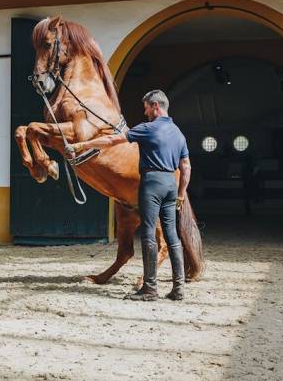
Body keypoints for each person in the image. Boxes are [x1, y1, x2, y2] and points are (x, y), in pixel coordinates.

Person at [65, 90, 191, 301]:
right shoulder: (178, 133)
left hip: (152, 183)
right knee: (171, 235)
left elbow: (111, 141)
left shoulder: (148, 129)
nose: (145, 111)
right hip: (171, 184)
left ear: (156, 106)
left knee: (149, 234)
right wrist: (180, 194)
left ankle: (150, 289)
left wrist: (81, 145)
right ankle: (178, 288)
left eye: (147, 107)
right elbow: (186, 167)